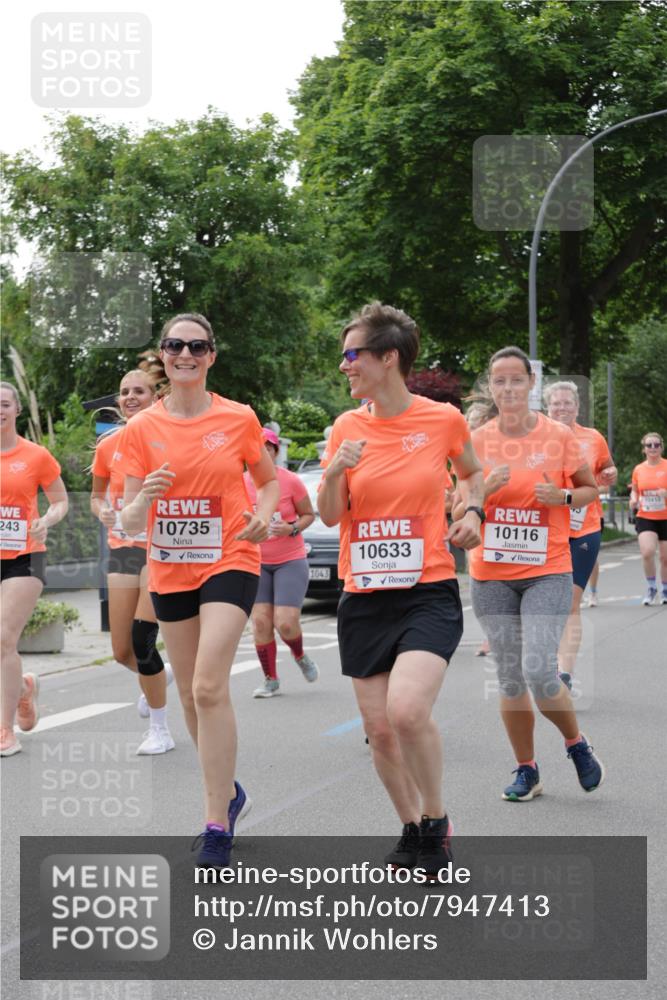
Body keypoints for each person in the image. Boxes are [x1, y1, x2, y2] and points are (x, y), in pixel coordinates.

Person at [318, 302, 484, 877]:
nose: (344, 365)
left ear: (388, 358)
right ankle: (410, 827)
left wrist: (474, 511)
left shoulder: (441, 420)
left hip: (427, 589)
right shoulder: (345, 427)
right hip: (363, 596)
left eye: (352, 354)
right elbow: (331, 515)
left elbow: (471, 473)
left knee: (407, 712)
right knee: (380, 732)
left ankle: (436, 824)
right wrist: (336, 469)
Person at [119, 313, 279, 866]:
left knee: (210, 685)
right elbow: (130, 520)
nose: (185, 354)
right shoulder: (139, 430)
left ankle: (215, 822)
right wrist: (144, 500)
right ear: (162, 355)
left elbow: (267, 480)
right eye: (174, 345)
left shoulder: (238, 418)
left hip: (230, 558)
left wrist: (262, 515)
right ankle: (231, 793)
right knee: (190, 694)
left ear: (211, 356)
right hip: (169, 568)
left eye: (197, 346)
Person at [461, 347, 604, 802]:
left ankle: (575, 743)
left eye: (516, 380)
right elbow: (454, 503)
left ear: (531, 384)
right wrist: (485, 489)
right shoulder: (475, 440)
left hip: (547, 569)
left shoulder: (558, 435)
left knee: (540, 669)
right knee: (508, 676)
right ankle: (527, 770)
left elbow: (587, 488)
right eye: (499, 381)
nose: (508, 389)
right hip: (491, 573)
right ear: (490, 386)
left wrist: (561, 497)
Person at [91, 369, 175, 755]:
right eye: (124, 391)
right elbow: (96, 496)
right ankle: (158, 675)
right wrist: (103, 512)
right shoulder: (108, 445)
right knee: (122, 651)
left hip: (159, 549)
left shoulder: (170, 437)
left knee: (143, 640)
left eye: (138, 391)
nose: (129, 397)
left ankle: (160, 729)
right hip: (123, 548)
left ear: (155, 396)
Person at [1, 382, 68, 756]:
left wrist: (47, 519)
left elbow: (60, 502)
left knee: (3, 638)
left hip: (25, 555)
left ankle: (4, 729)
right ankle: (24, 688)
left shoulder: (36, 455)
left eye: (4, 404)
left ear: (16, 410)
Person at [544, 381, 617, 689]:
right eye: (556, 404)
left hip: (584, 527)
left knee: (570, 603)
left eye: (567, 404)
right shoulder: (537, 437)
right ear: (547, 407)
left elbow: (607, 472)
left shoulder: (593, 438)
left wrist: (609, 476)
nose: (562, 408)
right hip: (545, 531)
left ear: (577, 407)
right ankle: (545, 660)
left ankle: (564, 673)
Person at [244, 427, 319, 698]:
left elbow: (308, 515)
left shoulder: (290, 481)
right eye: (257, 447)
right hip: (256, 561)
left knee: (286, 623)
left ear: (275, 452)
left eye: (268, 447)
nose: (263, 452)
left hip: (289, 560)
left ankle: (299, 655)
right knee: (261, 623)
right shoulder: (240, 483)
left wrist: (292, 528)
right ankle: (270, 679)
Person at [629, 432, 667, 605]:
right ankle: (652, 587)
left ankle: (665, 589)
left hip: (665, 517)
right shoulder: (639, 469)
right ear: (643, 449)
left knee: (665, 557)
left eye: (656, 445)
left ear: (662, 447)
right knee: (647, 552)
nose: (653, 448)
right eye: (649, 445)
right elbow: (635, 489)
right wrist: (633, 498)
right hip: (645, 515)